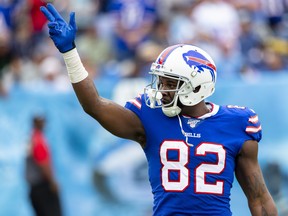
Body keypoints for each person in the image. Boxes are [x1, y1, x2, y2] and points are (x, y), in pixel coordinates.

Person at [40, 3, 278, 215]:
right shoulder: (150, 116)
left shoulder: (237, 123)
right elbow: (95, 106)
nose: (162, 89)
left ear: (197, 85)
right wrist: (70, 53)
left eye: (169, 83)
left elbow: (259, 198)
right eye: (161, 81)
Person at [25, 115, 62, 216]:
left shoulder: (30, 139)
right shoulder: (38, 140)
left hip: (34, 188)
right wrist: (52, 182)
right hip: (43, 187)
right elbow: (43, 163)